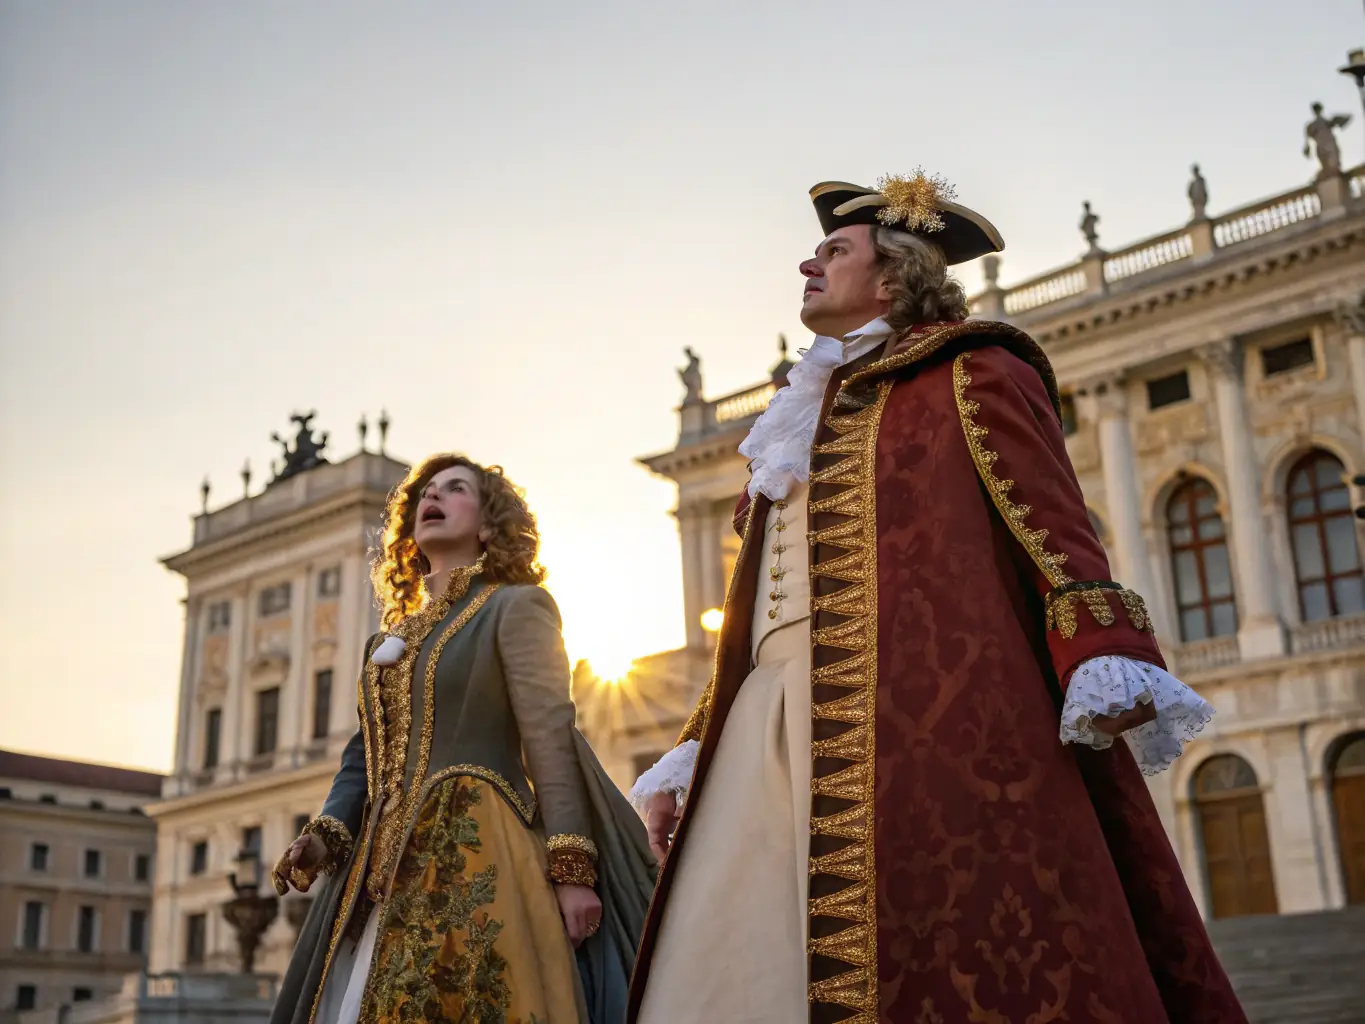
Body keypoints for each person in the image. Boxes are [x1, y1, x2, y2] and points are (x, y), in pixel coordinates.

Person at [627, 173, 1247, 1023]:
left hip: (919, 719)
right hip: (760, 731)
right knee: (726, 961)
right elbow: (757, 619)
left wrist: (1099, 655)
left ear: (892, 275)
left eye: (833, 251)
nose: (809, 262)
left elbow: (1052, 526)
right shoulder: (792, 423)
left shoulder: (971, 372)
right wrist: (696, 747)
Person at [270, 454, 655, 1024]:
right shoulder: (387, 639)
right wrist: (326, 833)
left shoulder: (515, 606)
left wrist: (573, 873)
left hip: (477, 852)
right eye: (425, 492)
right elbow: (364, 753)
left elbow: (550, 737)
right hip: (377, 872)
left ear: (487, 524)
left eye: (455, 490)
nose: (434, 497)